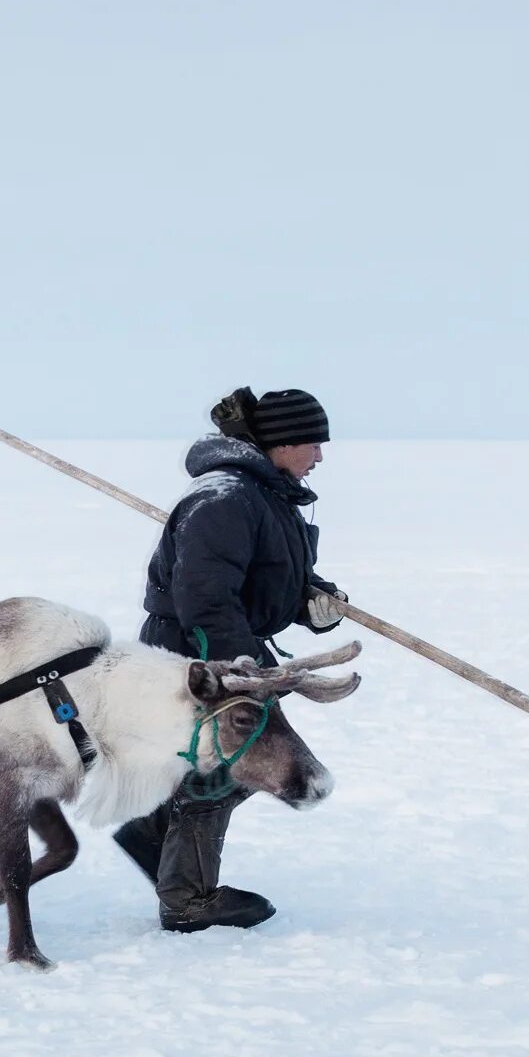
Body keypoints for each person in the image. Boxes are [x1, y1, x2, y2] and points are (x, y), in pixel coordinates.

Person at [115, 387, 348, 932]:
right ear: (283, 442)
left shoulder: (266, 494)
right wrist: (239, 671)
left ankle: (153, 836)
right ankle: (188, 898)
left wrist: (314, 602)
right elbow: (205, 598)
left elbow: (267, 575)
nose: (320, 455)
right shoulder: (223, 500)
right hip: (199, 655)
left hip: (231, 649)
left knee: (230, 763)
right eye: (313, 442)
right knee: (230, 765)